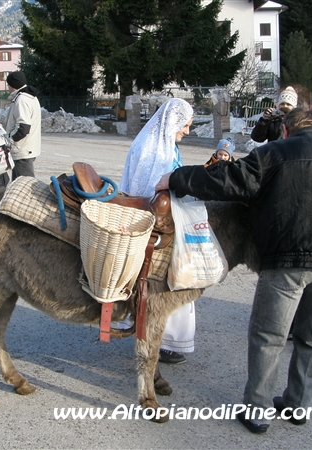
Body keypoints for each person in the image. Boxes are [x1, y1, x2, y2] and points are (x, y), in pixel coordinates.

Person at [155, 108, 312, 434]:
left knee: (268, 336)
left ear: (286, 130)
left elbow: (228, 179)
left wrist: (176, 178)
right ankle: (297, 405)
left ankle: (258, 411)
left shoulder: (275, 153)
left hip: (287, 260)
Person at [120, 97, 196, 365]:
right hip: (153, 227)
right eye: (185, 125)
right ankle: (162, 339)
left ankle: (165, 337)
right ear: (173, 122)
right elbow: (143, 193)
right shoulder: (151, 149)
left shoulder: (166, 146)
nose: (187, 131)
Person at [3, 71, 41, 180]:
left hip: (22, 149)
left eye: (8, 84)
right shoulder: (30, 97)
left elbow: (23, 128)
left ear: (12, 85)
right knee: (18, 185)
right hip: (25, 148)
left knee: (25, 186)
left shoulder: (22, 100)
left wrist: (10, 139)